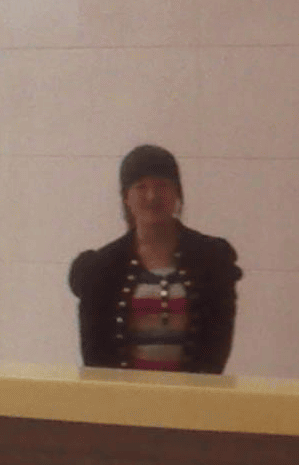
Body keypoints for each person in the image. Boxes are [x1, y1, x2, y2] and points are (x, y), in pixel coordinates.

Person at [68, 145, 241, 373]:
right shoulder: (101, 268)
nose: (152, 197)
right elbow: (96, 357)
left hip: (192, 394)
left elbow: (216, 346)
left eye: (162, 186)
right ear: (126, 197)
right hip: (123, 395)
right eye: (141, 187)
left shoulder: (212, 260)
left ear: (177, 193)